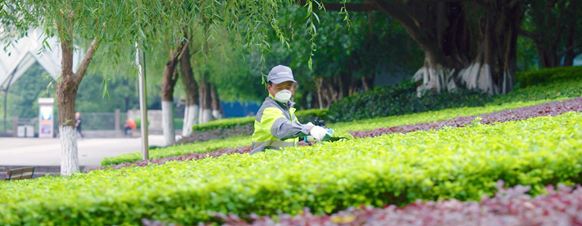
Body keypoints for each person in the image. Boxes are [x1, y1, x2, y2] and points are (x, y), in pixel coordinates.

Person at [250, 65, 330, 154]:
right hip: (264, 162)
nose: (284, 91)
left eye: (288, 87)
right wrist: (309, 129)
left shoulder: (286, 108)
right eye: (279, 87)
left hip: (280, 162)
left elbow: (292, 134)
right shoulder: (268, 110)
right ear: (269, 88)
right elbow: (282, 129)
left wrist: (313, 135)